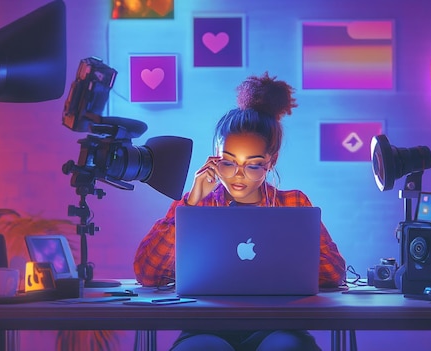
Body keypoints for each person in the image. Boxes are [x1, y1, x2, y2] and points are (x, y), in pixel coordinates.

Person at [133, 72, 347, 351]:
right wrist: (192, 203)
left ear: (272, 161)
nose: (238, 176)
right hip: (206, 326)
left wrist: (292, 249)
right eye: (228, 162)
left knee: (284, 348)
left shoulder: (294, 204)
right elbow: (147, 272)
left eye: (253, 164)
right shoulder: (198, 204)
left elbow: (335, 274)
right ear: (215, 156)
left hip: (279, 324)